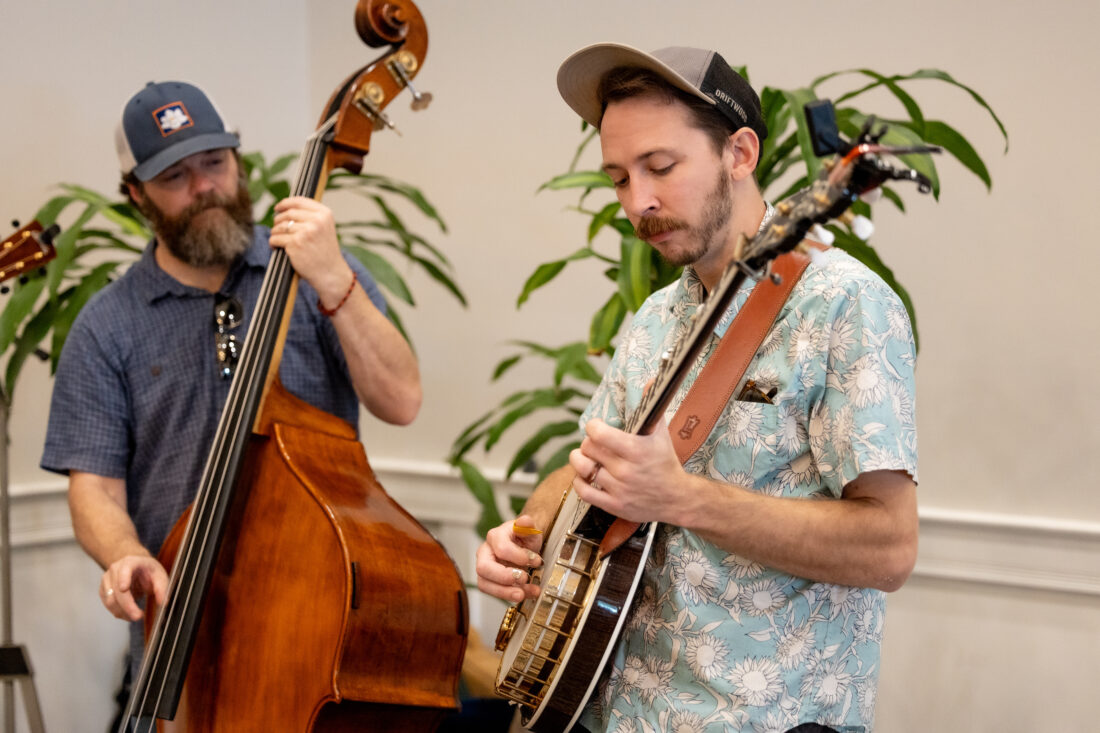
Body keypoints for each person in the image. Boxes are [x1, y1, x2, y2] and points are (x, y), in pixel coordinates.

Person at [475, 44, 918, 732]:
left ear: (740, 153)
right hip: (607, 711)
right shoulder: (656, 316)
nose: (637, 201)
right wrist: (521, 541)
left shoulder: (845, 305)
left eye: (660, 166)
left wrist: (685, 498)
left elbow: (890, 546)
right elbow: (582, 470)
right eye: (619, 176)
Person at [40, 80, 421, 691]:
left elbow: (401, 401)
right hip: (184, 633)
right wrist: (124, 555)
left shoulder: (316, 271)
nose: (204, 188)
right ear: (136, 194)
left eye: (214, 163)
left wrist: (332, 280)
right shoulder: (106, 326)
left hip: (320, 612)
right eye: (174, 177)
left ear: (236, 160)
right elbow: (96, 492)